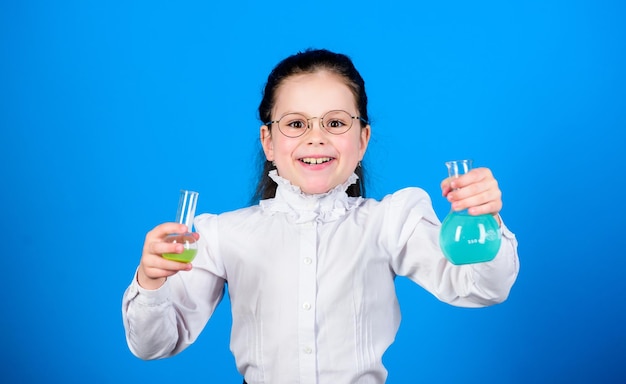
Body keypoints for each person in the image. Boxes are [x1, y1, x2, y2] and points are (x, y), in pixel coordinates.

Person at [122, 48, 519, 384]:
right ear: (269, 142)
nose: (316, 137)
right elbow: (155, 344)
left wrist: (483, 220)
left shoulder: (391, 223)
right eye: (295, 124)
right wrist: (152, 282)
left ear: (362, 140)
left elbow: (482, 288)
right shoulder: (222, 234)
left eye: (335, 123)